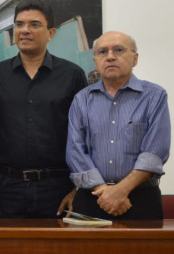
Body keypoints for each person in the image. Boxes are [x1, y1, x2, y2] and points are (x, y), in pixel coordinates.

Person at [0, 0, 88, 218]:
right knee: (10, 251)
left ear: (51, 33)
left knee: (57, 252)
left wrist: (77, 190)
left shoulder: (72, 75)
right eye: (19, 24)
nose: (25, 30)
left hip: (58, 187)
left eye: (34, 24)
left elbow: (85, 135)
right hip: (7, 188)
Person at [66, 31, 170, 219]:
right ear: (95, 60)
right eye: (102, 52)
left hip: (141, 198)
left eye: (119, 50)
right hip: (92, 199)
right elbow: (75, 151)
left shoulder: (155, 96)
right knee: (88, 250)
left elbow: (155, 151)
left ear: (135, 58)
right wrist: (104, 190)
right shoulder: (82, 99)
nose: (110, 56)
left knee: (143, 250)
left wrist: (120, 190)